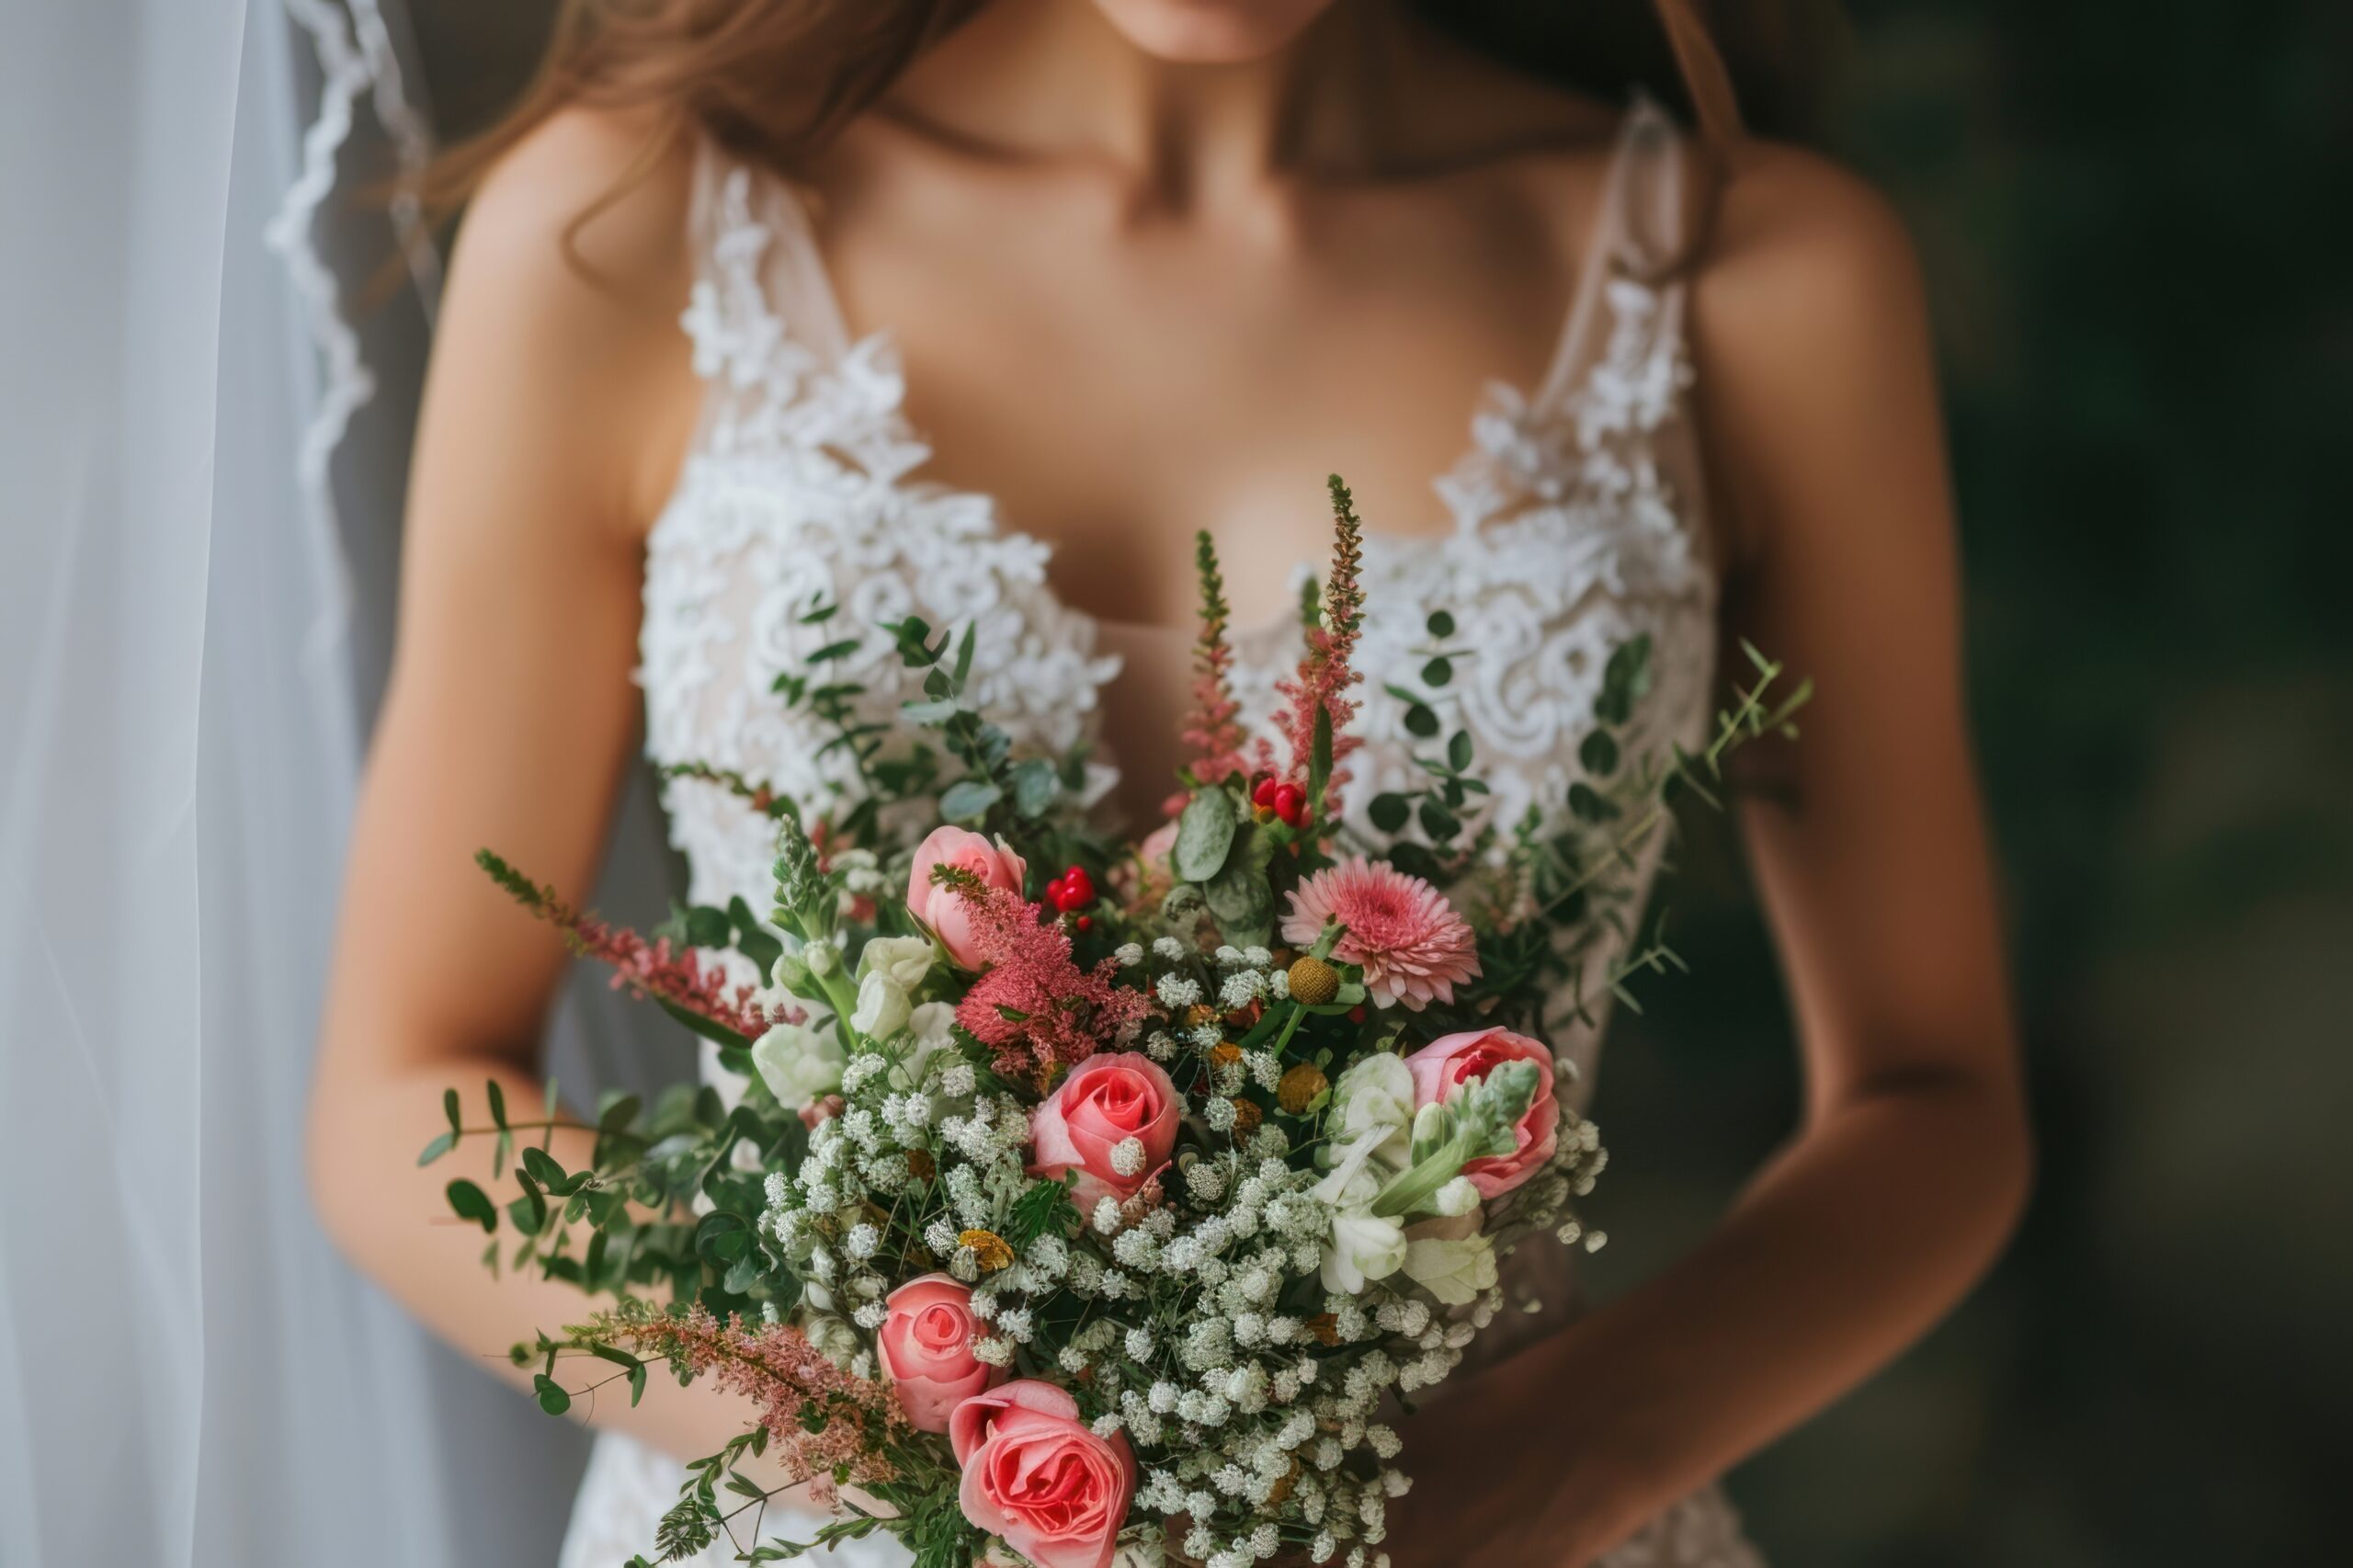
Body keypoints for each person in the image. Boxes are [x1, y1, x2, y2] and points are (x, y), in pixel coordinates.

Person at [308, 2, 2029, 1562]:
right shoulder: (630, 227)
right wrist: (922, 1469)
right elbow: (402, 1094)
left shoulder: (1757, 279)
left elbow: (1933, 1094)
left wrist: (1541, 1471)